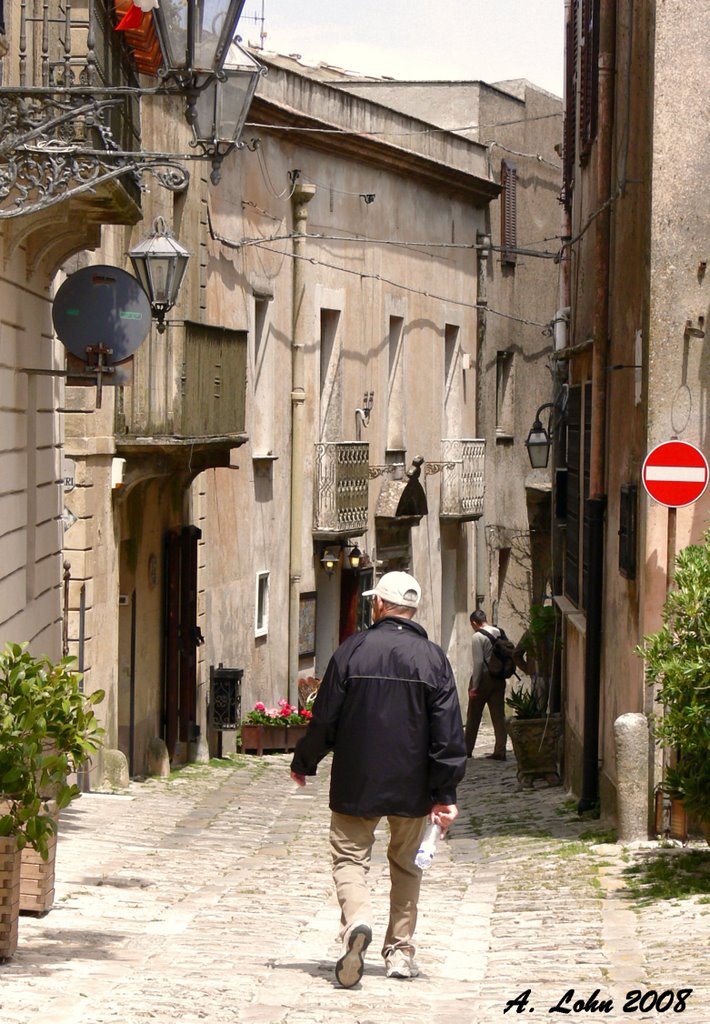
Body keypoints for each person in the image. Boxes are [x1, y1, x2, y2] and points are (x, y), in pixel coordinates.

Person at [290, 571, 466, 988]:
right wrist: (445, 792)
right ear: (412, 610)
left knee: (350, 859)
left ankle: (358, 922)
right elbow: (448, 733)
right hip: (414, 786)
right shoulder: (434, 659)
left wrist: (304, 762)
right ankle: (400, 952)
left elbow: (325, 719)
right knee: (407, 865)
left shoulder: (351, 651)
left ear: (380, 606)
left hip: (356, 781)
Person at [465, 609, 507, 760]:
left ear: (475, 623)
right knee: (498, 716)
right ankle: (500, 750)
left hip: (484, 678)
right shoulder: (499, 631)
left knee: (474, 715)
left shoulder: (478, 637)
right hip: (499, 677)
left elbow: (477, 663)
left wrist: (474, 686)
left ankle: (467, 749)